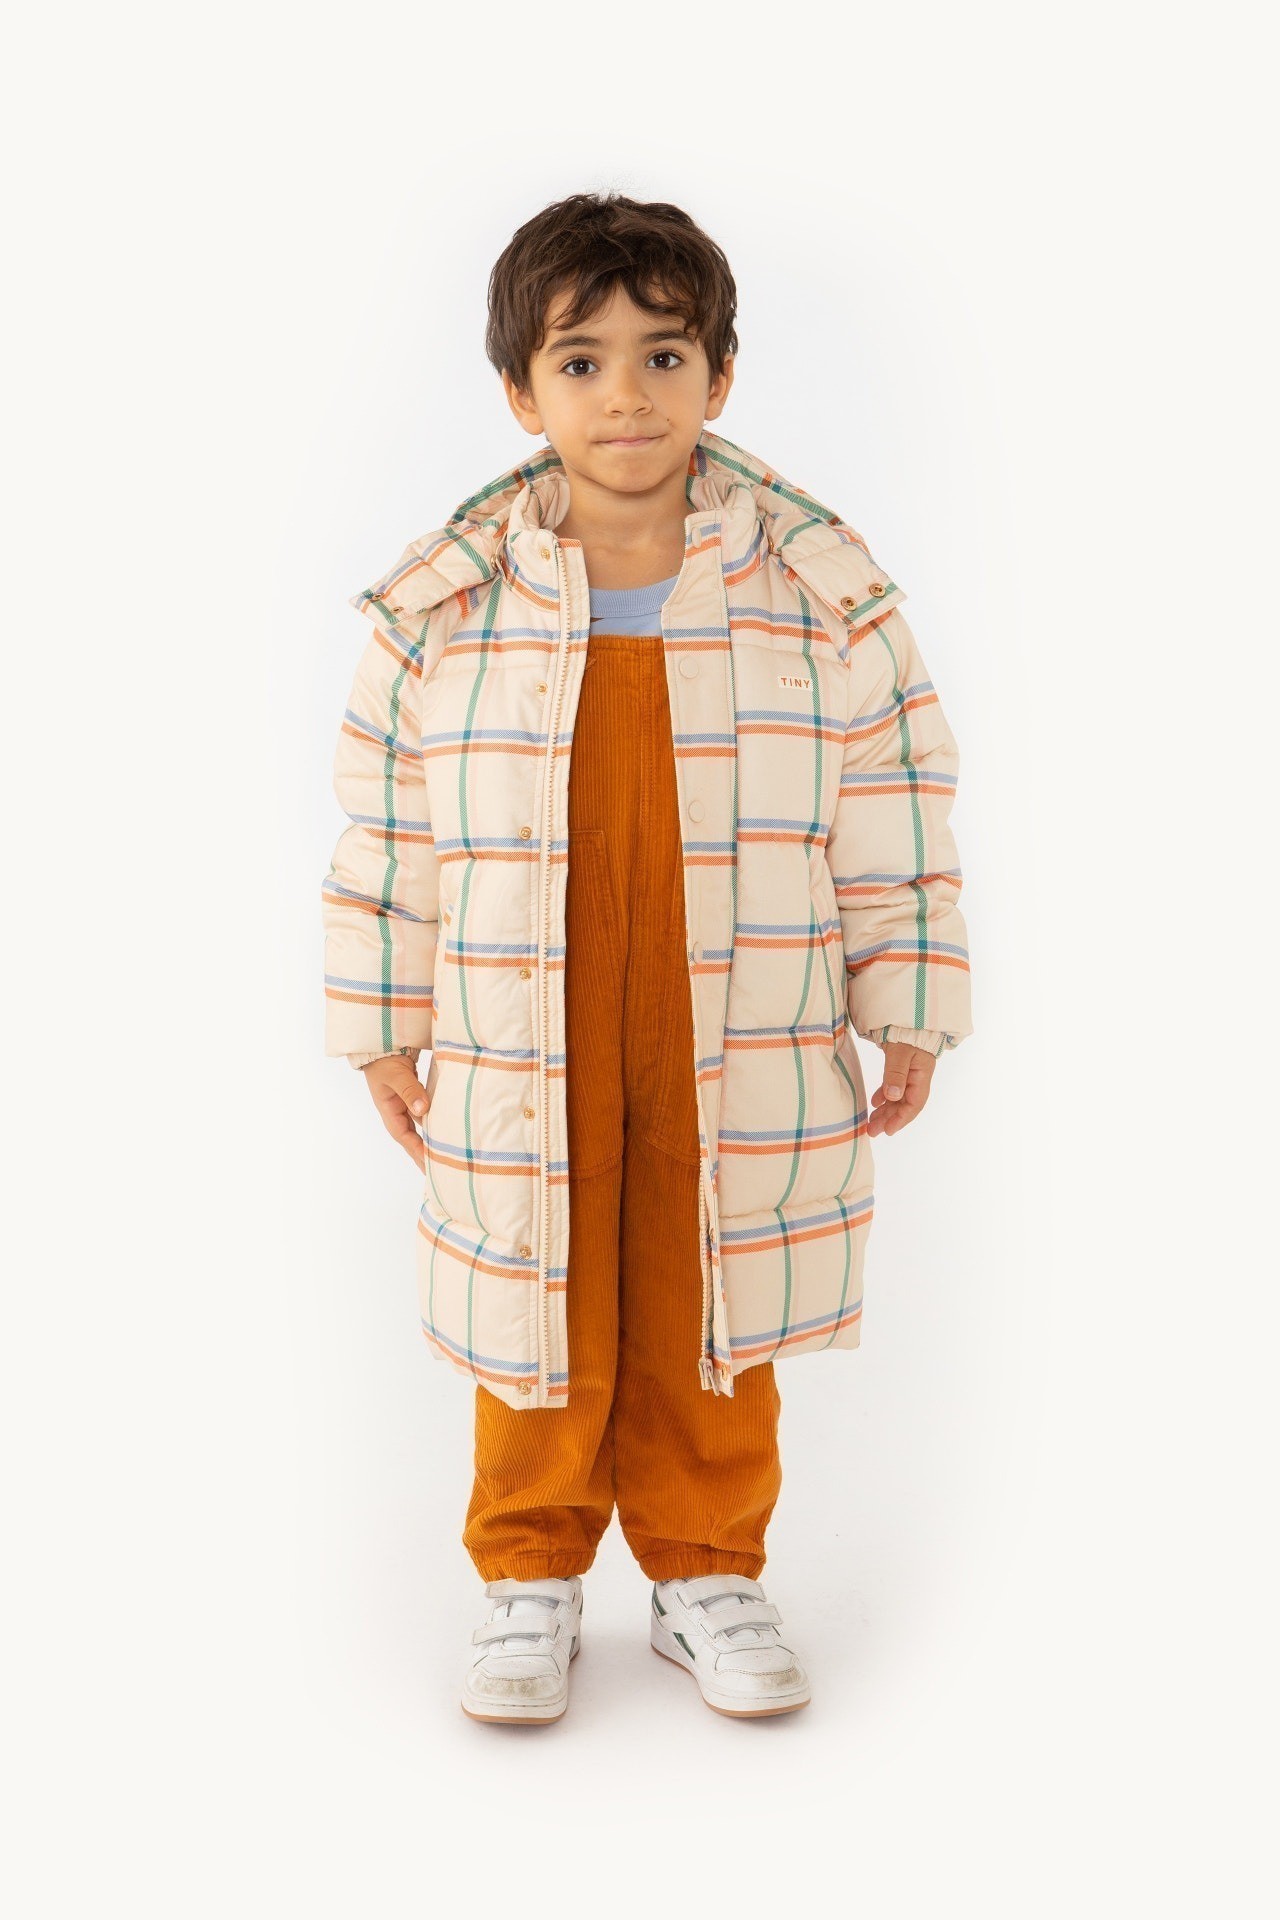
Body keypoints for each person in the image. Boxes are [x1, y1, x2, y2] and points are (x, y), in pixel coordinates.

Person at [321, 190, 974, 1724]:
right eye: (582, 361)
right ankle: (528, 1571)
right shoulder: (446, 612)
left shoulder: (818, 598)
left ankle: (706, 1565)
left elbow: (894, 807)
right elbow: (386, 833)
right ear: (520, 391)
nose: (626, 396)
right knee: (536, 1280)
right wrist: (382, 1023)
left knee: (708, 1281)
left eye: (664, 356)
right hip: (521, 1020)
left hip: (739, 1012)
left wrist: (909, 1003)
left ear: (719, 376)